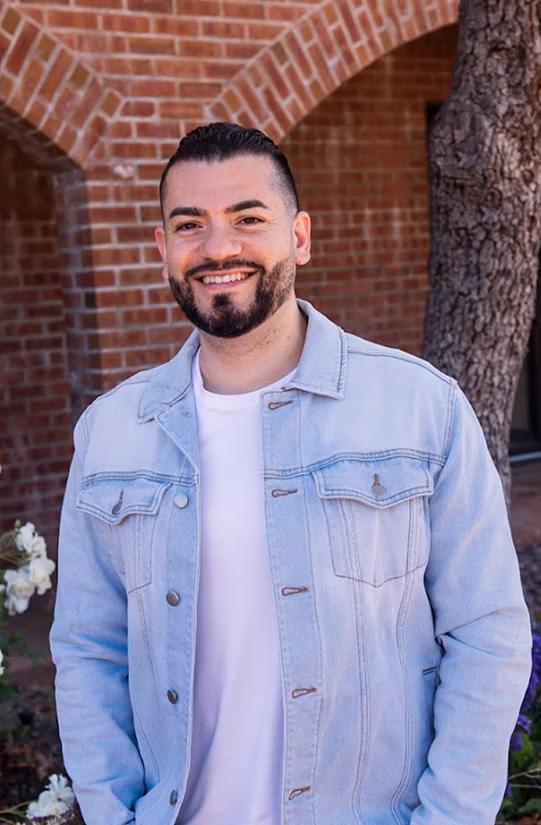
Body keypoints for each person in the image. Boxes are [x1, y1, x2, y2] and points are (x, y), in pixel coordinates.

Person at [50, 122, 532, 825]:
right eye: (189, 224)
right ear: (162, 249)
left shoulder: (419, 408)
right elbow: (87, 651)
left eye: (248, 218)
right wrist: (111, 811)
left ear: (299, 236)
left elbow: (486, 633)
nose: (218, 247)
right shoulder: (111, 433)